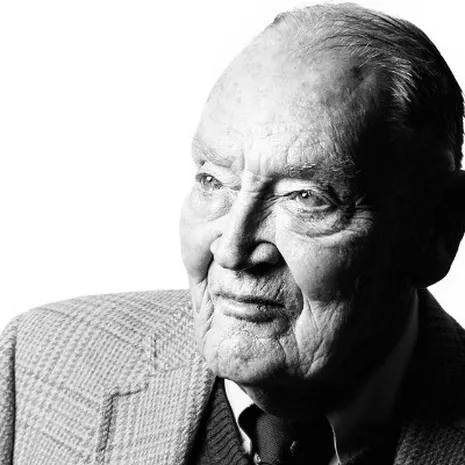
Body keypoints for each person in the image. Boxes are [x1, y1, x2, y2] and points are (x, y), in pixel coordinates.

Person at [1, 3, 465, 464]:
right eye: (213, 180)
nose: (232, 249)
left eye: (305, 197)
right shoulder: (40, 366)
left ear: (439, 229)